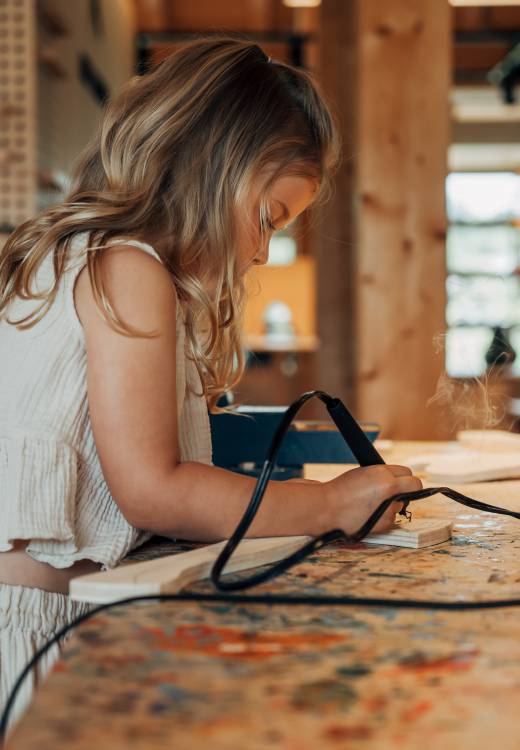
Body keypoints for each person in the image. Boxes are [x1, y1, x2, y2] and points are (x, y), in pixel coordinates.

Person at [0, 37, 422, 731]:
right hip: (34, 640)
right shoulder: (127, 269)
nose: (260, 251)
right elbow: (154, 490)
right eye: (267, 220)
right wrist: (328, 505)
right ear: (211, 166)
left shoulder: (87, 256)